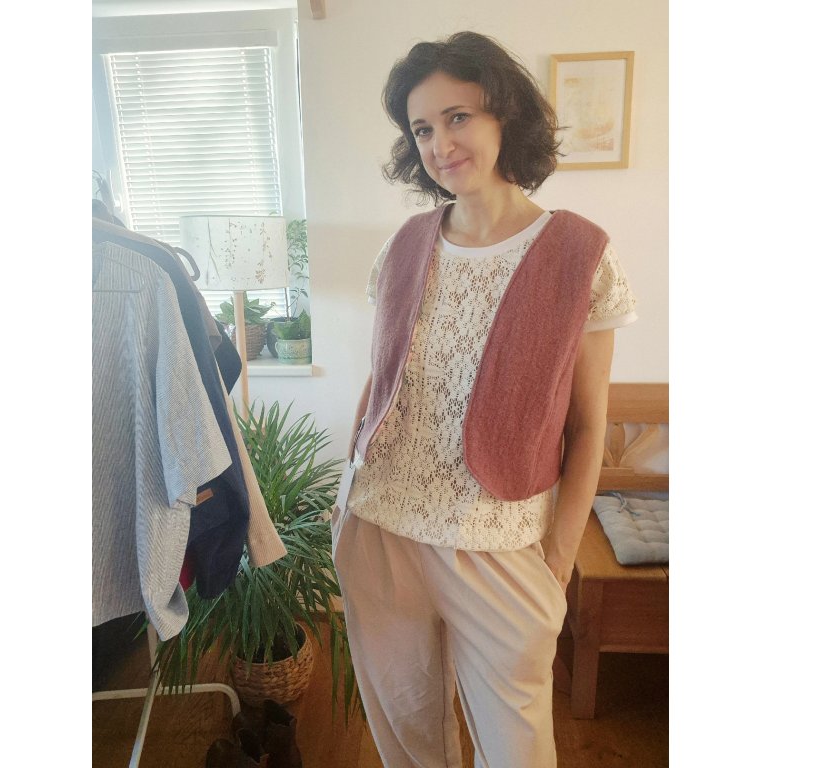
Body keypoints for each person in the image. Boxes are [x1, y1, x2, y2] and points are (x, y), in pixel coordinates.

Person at [330, 31, 637, 768]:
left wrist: (558, 560)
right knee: (407, 735)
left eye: (458, 117)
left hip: (501, 543)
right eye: (422, 128)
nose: (440, 144)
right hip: (380, 529)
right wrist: (348, 490)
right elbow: (383, 379)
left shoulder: (581, 255)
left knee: (518, 745)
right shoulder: (403, 246)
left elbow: (589, 426)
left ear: (506, 116)